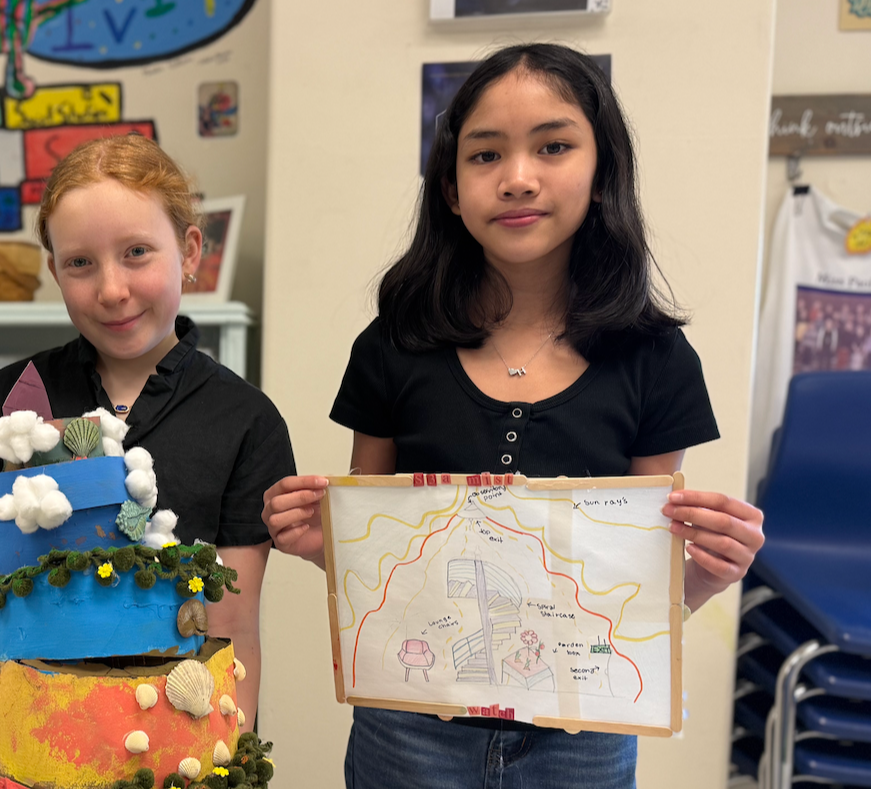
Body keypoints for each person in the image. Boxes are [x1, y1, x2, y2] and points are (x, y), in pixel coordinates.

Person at [261, 43, 765, 789]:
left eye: (554, 146)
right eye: (485, 154)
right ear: (451, 190)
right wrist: (318, 545)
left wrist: (702, 579)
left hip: (584, 732)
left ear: (602, 175)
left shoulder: (656, 359)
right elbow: (372, 560)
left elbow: (635, 584)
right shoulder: (394, 346)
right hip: (409, 725)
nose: (518, 177)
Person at [0, 134, 296, 788]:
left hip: (168, 753)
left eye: (137, 253)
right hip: (17, 750)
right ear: (55, 272)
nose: (113, 288)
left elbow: (233, 627)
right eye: (82, 263)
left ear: (191, 252)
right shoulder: (8, 400)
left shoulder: (247, 421)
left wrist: (227, 770)